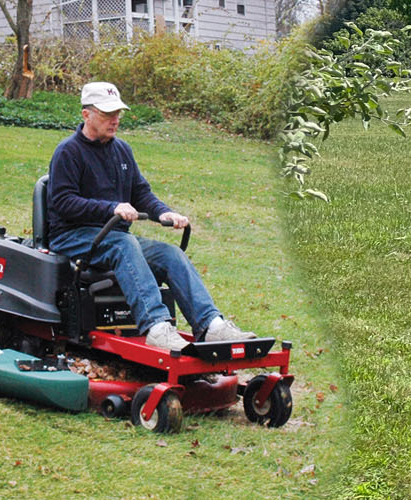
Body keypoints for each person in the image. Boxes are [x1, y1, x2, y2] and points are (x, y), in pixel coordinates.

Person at [45, 82, 255, 350]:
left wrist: (164, 212)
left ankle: (210, 325)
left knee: (170, 254)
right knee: (123, 244)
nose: (115, 120)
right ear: (86, 114)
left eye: (118, 114)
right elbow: (63, 202)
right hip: (72, 236)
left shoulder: (122, 151)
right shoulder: (68, 152)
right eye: (108, 114)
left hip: (112, 236)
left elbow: (140, 193)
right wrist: (110, 208)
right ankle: (156, 326)